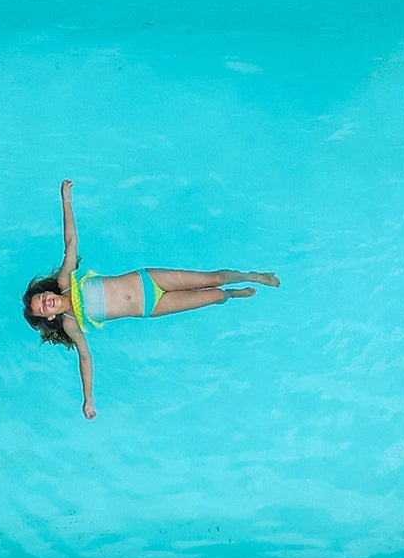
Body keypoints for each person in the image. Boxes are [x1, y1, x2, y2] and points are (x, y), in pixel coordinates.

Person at [22, 179, 279, 420]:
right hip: (151, 306)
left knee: (213, 278)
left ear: (50, 292)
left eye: (44, 297)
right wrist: (88, 398)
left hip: (149, 280)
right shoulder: (70, 322)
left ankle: (252, 276)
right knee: (214, 297)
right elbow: (85, 357)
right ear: (50, 317)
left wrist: (66, 201)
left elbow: (71, 241)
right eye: (44, 307)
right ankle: (232, 295)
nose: (47, 302)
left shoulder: (67, 281)